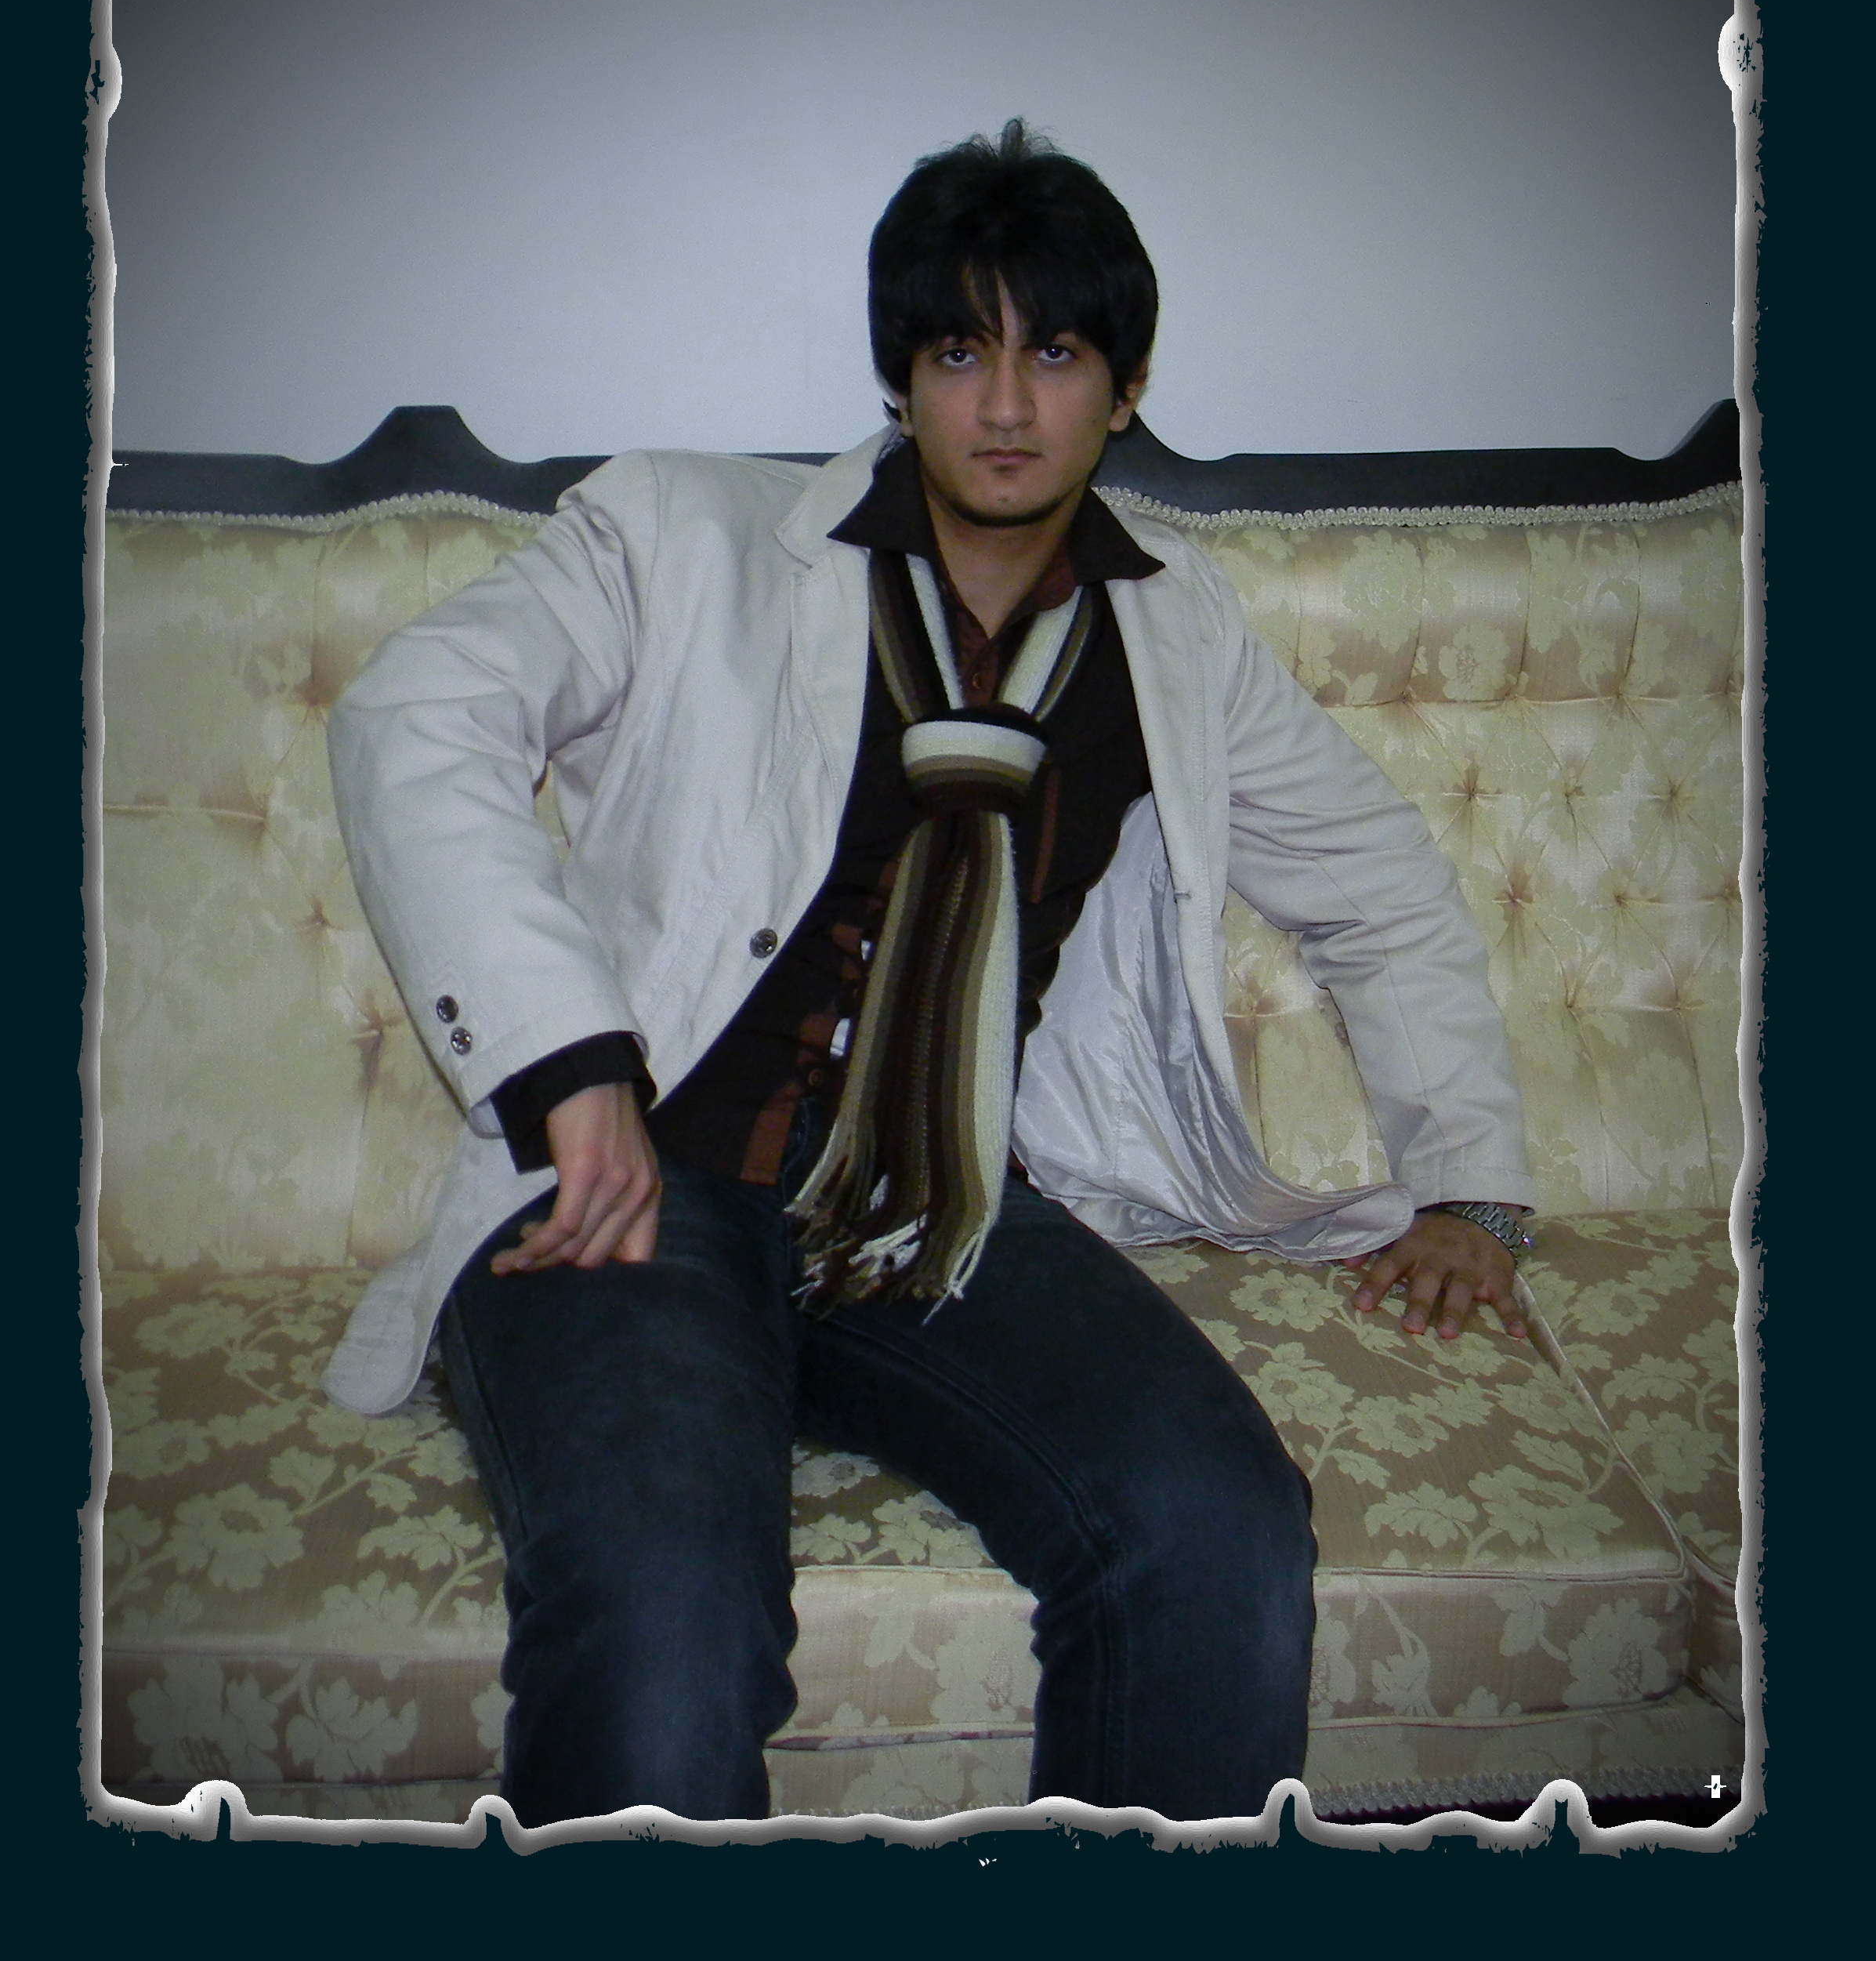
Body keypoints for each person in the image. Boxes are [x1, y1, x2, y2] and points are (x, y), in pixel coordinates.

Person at [322, 121, 1537, 1827]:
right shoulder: (684, 532)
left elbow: (1380, 885)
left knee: (1215, 1520)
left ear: (1125, 387)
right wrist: (562, 1061)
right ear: (900, 379)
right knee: (668, 1613)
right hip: (641, 1184)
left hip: (944, 1206)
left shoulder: (1176, 629)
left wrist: (1467, 1184)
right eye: (960, 352)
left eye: (1058, 352)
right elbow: (416, 715)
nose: (1006, 405)